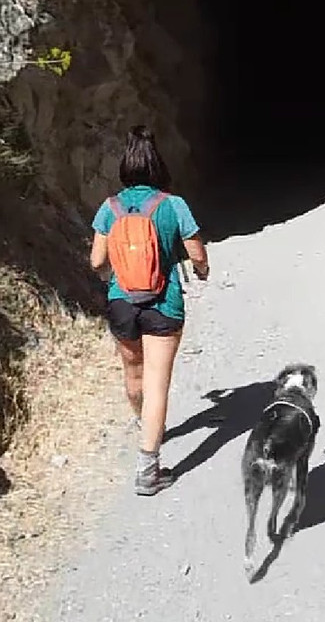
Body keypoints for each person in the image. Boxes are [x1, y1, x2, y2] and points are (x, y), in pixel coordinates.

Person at [90, 125, 209, 495]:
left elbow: (96, 261)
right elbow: (197, 254)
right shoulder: (173, 205)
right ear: (159, 167)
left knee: (134, 374)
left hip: (121, 303)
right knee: (158, 384)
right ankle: (148, 468)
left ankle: (144, 422)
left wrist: (116, 277)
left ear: (125, 167)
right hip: (164, 303)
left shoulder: (109, 208)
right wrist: (202, 271)